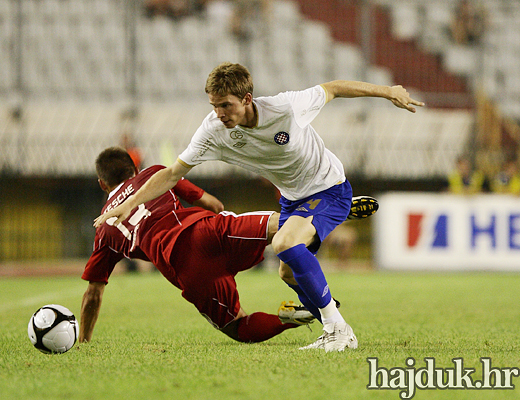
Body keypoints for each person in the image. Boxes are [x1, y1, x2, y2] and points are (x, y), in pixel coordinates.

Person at [94, 63, 423, 352]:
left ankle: (338, 329)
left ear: (247, 100)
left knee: (284, 243)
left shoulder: (285, 108)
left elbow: (334, 88)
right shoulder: (214, 130)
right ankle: (329, 315)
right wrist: (130, 203)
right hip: (293, 198)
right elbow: (172, 173)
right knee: (287, 270)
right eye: (215, 105)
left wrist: (387, 91)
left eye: (226, 105)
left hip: (328, 185)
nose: (220, 113)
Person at [80, 147, 317, 344]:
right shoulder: (154, 173)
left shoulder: (104, 229)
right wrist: (226, 231)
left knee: (237, 326)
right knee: (282, 223)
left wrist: (83, 341)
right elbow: (213, 204)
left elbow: (93, 293)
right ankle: (337, 209)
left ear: (102, 184)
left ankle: (287, 319)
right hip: (204, 230)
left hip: (185, 269)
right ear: (135, 169)